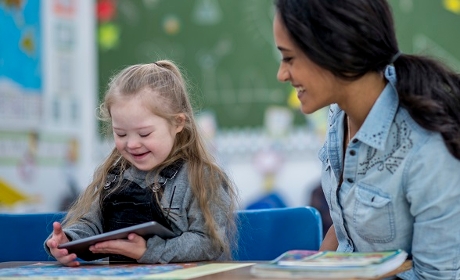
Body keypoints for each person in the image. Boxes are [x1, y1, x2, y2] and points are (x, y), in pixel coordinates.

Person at [273, 0, 460, 279]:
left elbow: (438, 276)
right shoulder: (339, 115)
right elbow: (346, 228)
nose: (281, 74)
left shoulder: (427, 148)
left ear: (334, 49)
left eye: (289, 58)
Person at [45, 60, 238, 267]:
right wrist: (69, 241)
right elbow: (92, 225)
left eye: (144, 133)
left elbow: (209, 243)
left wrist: (149, 251)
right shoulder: (113, 176)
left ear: (178, 123)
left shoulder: (201, 177)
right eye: (120, 133)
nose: (132, 144)